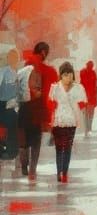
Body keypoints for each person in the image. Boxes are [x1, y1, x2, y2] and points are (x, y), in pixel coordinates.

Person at [48, 62, 86, 184]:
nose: (68, 77)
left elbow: (83, 102)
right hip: (58, 121)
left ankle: (65, 172)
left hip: (71, 122)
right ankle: (59, 171)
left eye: (70, 74)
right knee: (59, 148)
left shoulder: (78, 88)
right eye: (65, 74)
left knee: (68, 147)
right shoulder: (55, 88)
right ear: (61, 75)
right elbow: (50, 103)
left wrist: (76, 107)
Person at [16, 45, 49, 180]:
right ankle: (32, 170)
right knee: (35, 141)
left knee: (24, 141)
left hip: (23, 109)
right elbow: (41, 92)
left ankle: (25, 166)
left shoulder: (22, 71)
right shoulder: (38, 69)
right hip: (34, 110)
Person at [0, 49, 20, 159]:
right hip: (2, 104)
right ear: (8, 59)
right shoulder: (2, 72)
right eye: (10, 57)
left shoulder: (19, 72)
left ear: (18, 59)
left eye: (15, 58)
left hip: (14, 105)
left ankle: (12, 151)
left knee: (15, 121)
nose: (13, 60)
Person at [79, 60, 97, 136]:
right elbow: (93, 84)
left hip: (87, 95)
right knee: (89, 112)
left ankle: (88, 127)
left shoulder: (85, 72)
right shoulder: (88, 72)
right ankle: (88, 127)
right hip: (89, 95)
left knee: (87, 112)